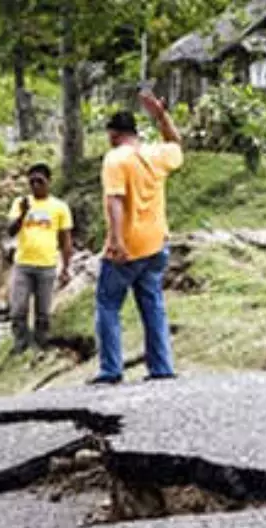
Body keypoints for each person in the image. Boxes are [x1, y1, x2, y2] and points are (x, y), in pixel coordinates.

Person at [90, 90, 184, 385]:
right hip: (157, 243)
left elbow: (115, 200)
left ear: (114, 135)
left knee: (107, 304)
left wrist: (116, 241)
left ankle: (111, 369)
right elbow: (176, 144)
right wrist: (160, 115)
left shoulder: (115, 159)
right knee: (152, 303)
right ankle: (161, 366)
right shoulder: (157, 153)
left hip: (129, 245)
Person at [6, 163, 73, 353]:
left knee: (43, 310)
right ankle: (21, 343)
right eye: (32, 182)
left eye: (40, 181)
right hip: (23, 264)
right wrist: (23, 213)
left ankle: (40, 344)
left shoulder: (59, 207)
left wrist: (66, 267)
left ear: (49, 182)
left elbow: (66, 239)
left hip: (47, 264)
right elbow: (10, 231)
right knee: (18, 308)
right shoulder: (20, 203)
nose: (35, 185)